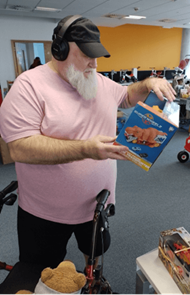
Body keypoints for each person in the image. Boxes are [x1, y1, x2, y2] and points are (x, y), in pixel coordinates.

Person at [0, 15, 176, 274]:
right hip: (44, 212)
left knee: (93, 258)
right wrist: (86, 149)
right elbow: (20, 148)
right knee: (42, 274)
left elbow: (127, 97)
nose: (94, 64)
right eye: (86, 55)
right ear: (59, 50)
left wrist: (149, 83)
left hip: (96, 206)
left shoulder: (96, 80)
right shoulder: (28, 86)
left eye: (96, 56)